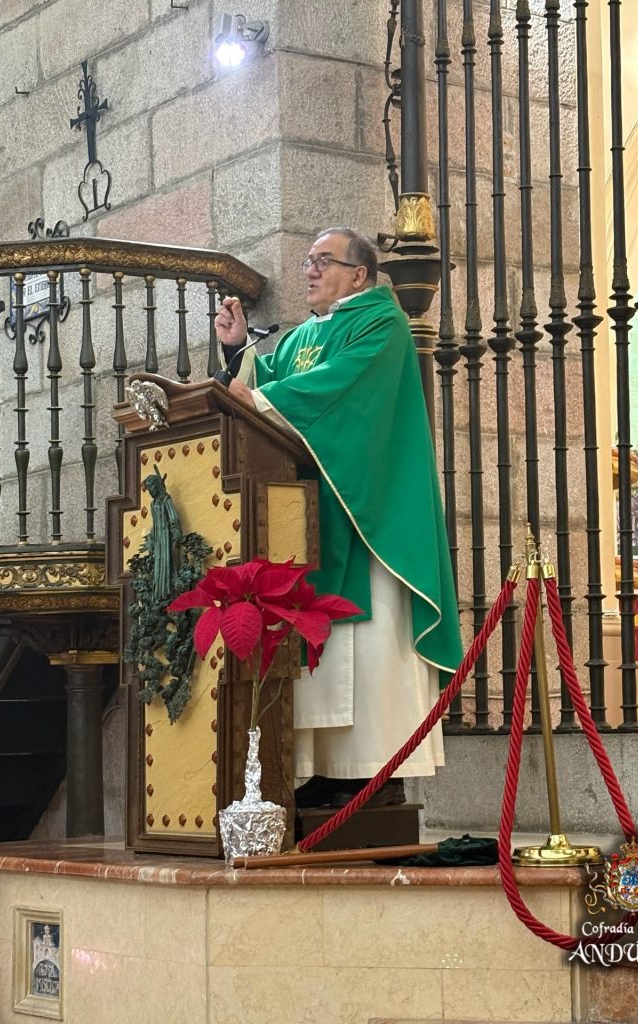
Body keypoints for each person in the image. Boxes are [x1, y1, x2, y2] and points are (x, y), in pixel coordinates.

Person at [214, 227, 463, 809]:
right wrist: (234, 354)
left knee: (372, 644)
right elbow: (262, 388)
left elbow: (341, 389)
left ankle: (377, 774)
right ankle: (329, 773)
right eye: (307, 261)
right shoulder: (306, 335)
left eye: (323, 261)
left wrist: (267, 399)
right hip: (316, 510)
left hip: (366, 509)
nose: (309, 270)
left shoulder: (381, 321)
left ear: (360, 274)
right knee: (324, 647)